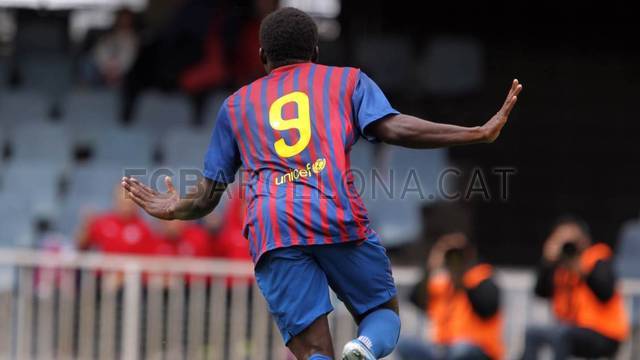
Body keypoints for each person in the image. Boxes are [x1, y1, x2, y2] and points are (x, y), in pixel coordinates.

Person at [122, 7, 522, 360]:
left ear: (263, 58)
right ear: (316, 53)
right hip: (333, 210)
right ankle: (363, 349)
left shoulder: (236, 106)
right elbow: (394, 127)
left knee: (314, 351)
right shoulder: (346, 81)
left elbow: (208, 196)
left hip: (272, 227)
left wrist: (173, 208)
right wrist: (474, 132)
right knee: (381, 314)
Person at [521, 216, 629, 360]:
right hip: (570, 328)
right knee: (532, 333)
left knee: (562, 334)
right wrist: (547, 262)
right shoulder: (559, 266)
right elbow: (541, 292)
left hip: (604, 332)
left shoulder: (597, 257)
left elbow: (605, 293)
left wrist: (581, 270)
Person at [398, 233, 503, 360]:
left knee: (460, 350)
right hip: (443, 348)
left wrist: (464, 278)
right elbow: (415, 297)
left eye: (459, 253)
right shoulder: (443, 283)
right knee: (405, 345)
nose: (455, 259)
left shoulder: (482, 278)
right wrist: (432, 265)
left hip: (479, 349)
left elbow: (487, 309)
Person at [77, 185, 153, 255]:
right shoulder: (103, 222)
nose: (125, 207)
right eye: (122, 202)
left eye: (129, 202)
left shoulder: (145, 228)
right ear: (115, 201)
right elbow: (81, 246)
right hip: (106, 269)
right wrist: (86, 225)